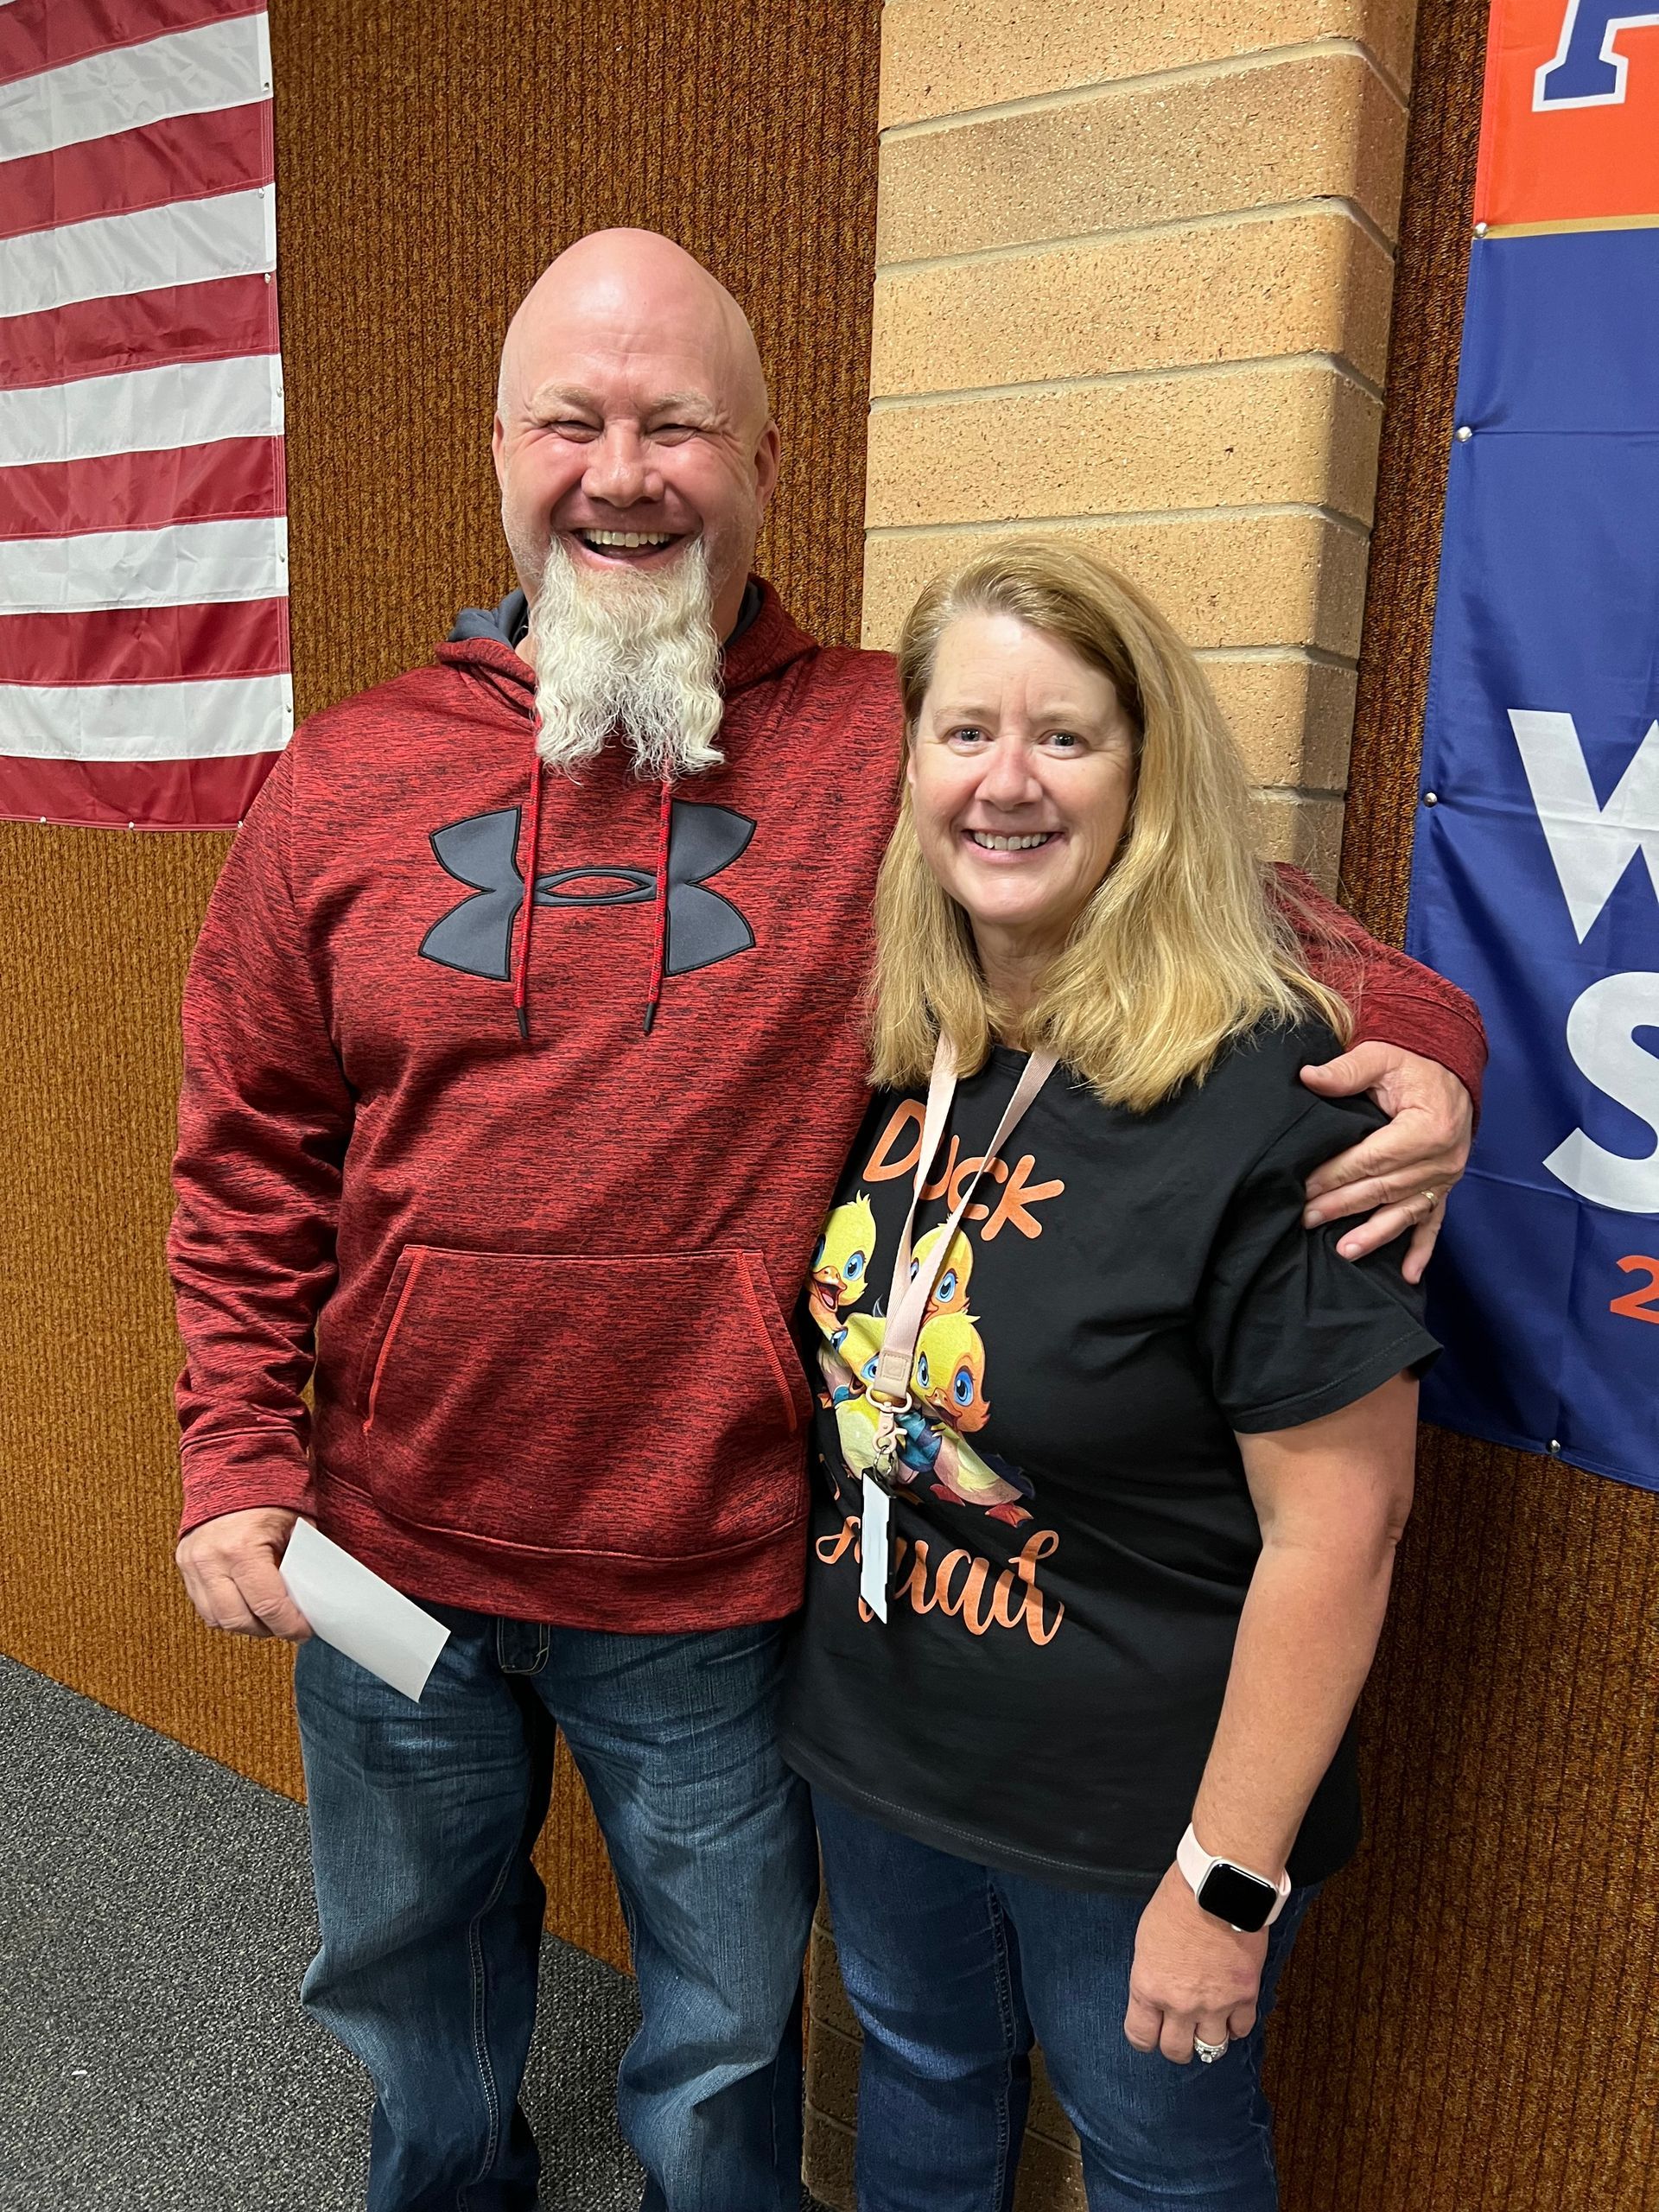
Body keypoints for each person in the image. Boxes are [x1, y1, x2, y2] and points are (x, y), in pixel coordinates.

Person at [167, 232, 1483, 2212]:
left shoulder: (889, 738)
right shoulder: (343, 775)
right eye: (574, 422)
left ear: (766, 460)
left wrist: (1428, 1036)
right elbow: (248, 1146)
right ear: (501, 448)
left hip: (710, 1574)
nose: (623, 472)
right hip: (392, 1546)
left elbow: (1210, 899)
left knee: (719, 2050)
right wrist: (234, 1455)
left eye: (677, 423)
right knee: (408, 2001)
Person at [779, 540, 1445, 2212]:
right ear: (911, 765)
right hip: (882, 1752)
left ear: (1148, 775)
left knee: (1159, 2164)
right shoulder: (892, 1045)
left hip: (1137, 1816)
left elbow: (1341, 1536)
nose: (1007, 782)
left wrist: (1226, 1881)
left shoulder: (1275, 1093)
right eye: (965, 733)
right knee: (922, 2098)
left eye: (1065, 737)